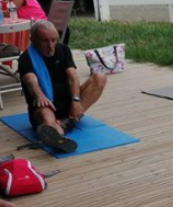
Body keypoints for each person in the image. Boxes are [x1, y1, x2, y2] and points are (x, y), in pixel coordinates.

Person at [19, 20, 107, 153]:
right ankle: (60, 131)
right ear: (34, 40)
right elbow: (30, 80)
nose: (50, 46)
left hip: (68, 103)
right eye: (45, 41)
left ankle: (66, 123)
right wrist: (40, 96)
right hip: (46, 107)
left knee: (99, 78)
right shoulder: (26, 58)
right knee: (45, 114)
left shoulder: (63, 50)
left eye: (53, 40)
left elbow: (73, 78)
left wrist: (76, 101)